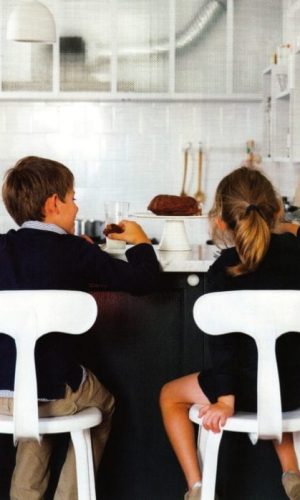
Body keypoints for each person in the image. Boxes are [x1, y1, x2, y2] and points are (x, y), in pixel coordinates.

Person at [0, 155, 160, 500]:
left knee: (34, 426)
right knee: (103, 405)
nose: (76, 206)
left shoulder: (3, 246)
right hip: (56, 391)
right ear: (53, 203)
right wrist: (142, 242)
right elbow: (144, 279)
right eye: (73, 198)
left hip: (2, 393)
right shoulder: (74, 252)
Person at [160, 166, 300, 500]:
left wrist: (225, 400)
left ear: (220, 221)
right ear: (276, 211)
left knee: (170, 396)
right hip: (296, 387)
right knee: (277, 374)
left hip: (243, 391)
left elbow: (222, 345)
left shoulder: (223, 269)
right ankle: (291, 471)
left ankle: (197, 487)